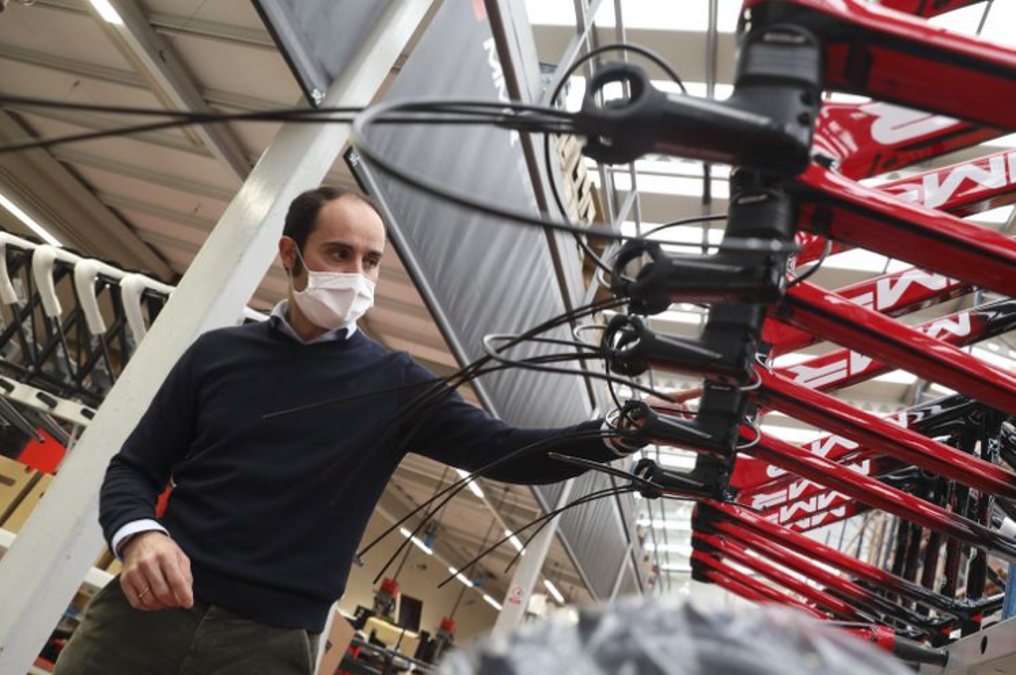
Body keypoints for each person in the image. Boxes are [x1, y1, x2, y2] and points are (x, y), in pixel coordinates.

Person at [55, 187, 633, 675]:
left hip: (267, 645)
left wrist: (619, 431)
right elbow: (134, 468)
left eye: (371, 260)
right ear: (290, 253)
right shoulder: (217, 355)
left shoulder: (397, 384)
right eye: (338, 253)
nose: (357, 275)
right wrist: (139, 537)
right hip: (144, 615)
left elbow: (509, 452)